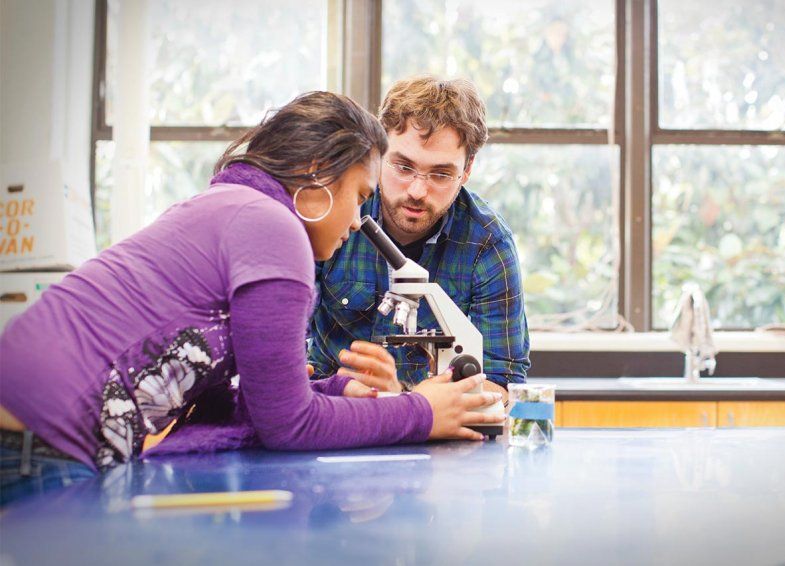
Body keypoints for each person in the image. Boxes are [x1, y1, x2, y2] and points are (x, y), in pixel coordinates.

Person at [0, 91, 502, 506]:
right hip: (35, 440)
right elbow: (288, 424)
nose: (356, 220)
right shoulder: (274, 228)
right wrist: (422, 412)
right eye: (359, 195)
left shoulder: (229, 204)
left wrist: (327, 391)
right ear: (317, 174)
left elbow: (258, 403)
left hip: (25, 425)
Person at [308, 76, 530, 400]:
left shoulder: (488, 246)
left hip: (435, 433)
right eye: (403, 166)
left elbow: (503, 383)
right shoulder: (332, 216)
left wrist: (405, 400)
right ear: (379, 151)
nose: (416, 191)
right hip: (331, 410)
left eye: (440, 174)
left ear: (466, 170)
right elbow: (281, 350)